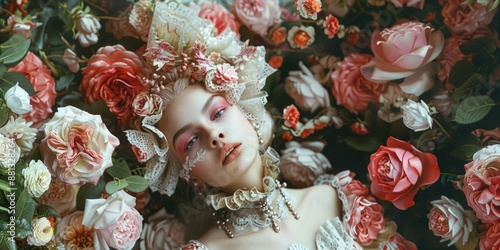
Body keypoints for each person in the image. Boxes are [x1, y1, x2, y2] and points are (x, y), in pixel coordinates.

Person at [125, 2, 362, 249]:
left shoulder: (338, 199)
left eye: (217, 113)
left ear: (247, 110)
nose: (214, 136)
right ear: (187, 175)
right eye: (191, 142)